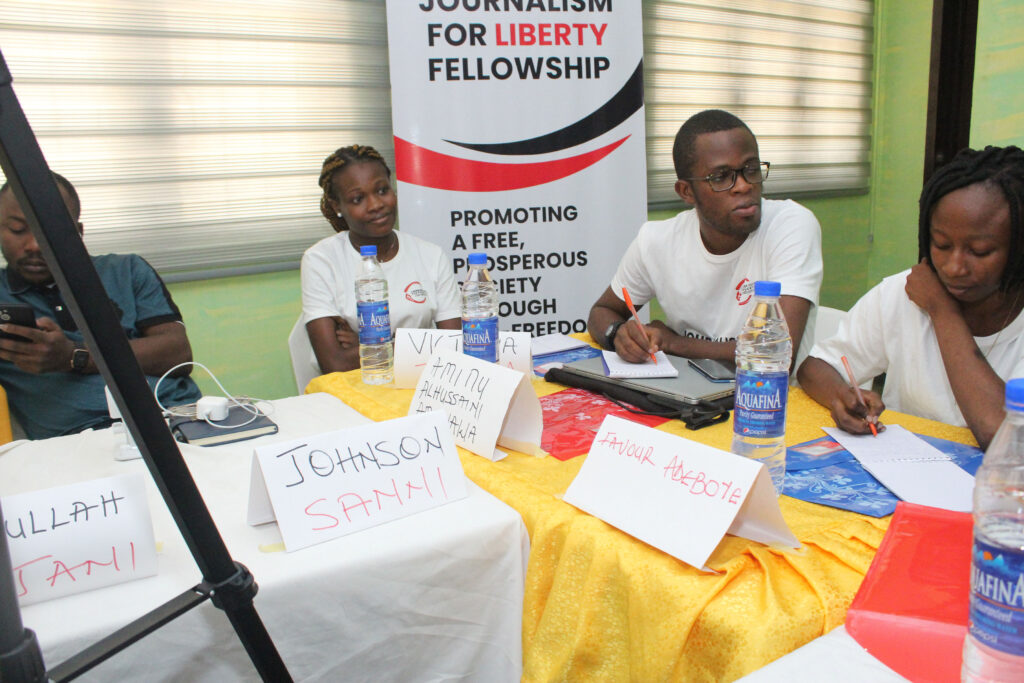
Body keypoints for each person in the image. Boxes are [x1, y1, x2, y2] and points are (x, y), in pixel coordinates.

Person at [798, 145, 1024, 449]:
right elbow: (815, 367)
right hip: (902, 475)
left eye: (979, 251)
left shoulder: (930, 297)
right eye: (941, 244)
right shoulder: (902, 293)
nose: (954, 267)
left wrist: (943, 311)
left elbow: (1004, 440)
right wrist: (842, 395)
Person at [588, 109, 823, 368]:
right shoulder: (657, 241)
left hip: (769, 400)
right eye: (721, 177)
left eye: (751, 169)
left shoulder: (790, 225)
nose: (744, 185)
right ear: (686, 191)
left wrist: (673, 343)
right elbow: (601, 312)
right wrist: (619, 334)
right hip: (686, 393)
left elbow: (776, 354)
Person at [0, 173, 201, 439]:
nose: (34, 245)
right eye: (17, 229)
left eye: (50, 231)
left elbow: (178, 354)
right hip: (77, 441)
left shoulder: (127, 270)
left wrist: (73, 356)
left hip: (177, 416)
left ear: (78, 233)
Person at [301, 144, 461, 373]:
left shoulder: (430, 255)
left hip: (420, 382)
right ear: (337, 206)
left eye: (382, 190)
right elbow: (334, 363)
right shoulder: (320, 260)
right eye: (358, 199)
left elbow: (454, 345)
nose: (376, 205)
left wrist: (365, 345)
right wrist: (424, 342)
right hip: (351, 391)